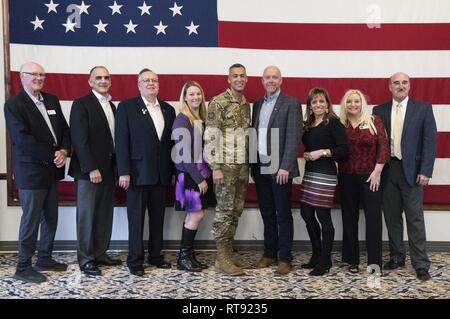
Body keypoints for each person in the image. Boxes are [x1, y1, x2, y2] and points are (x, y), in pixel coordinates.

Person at [4, 62, 71, 283]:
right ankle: (23, 266)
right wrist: (53, 154)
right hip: (31, 172)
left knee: (50, 218)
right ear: (22, 77)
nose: (38, 78)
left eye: (42, 74)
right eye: (33, 74)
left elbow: (64, 130)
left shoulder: (51, 100)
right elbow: (22, 140)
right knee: (31, 220)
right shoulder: (14, 105)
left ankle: (44, 258)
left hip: (52, 171)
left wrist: (64, 150)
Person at [372, 72, 437, 282]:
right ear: (389, 86)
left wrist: (426, 170)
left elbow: (430, 141)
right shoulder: (379, 110)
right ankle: (397, 257)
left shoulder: (423, 109)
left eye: (404, 83)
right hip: (388, 170)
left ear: (410, 86)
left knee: (415, 219)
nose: (400, 86)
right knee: (392, 218)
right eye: (396, 83)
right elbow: (376, 144)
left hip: (413, 172)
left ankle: (420, 264)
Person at [115, 68, 176, 276]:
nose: (151, 83)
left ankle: (156, 256)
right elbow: (121, 142)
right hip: (137, 174)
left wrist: (174, 170)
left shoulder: (168, 109)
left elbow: (170, 145)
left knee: (158, 218)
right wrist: (123, 171)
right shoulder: (126, 107)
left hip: (161, 174)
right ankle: (135, 261)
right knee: (137, 219)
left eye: (154, 80)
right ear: (138, 84)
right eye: (146, 80)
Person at [68, 66, 122, 276]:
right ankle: (86, 258)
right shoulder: (81, 104)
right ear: (90, 82)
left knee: (103, 215)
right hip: (88, 172)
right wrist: (91, 167)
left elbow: (113, 140)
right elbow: (79, 140)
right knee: (86, 216)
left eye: (106, 77)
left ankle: (100, 253)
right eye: (98, 78)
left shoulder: (112, 106)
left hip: (108, 172)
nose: (103, 80)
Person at [251, 66, 302, 275]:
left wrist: (285, 166)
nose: (271, 80)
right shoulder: (257, 104)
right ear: (262, 81)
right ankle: (269, 253)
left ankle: (284, 257)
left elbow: (293, 137)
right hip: (260, 166)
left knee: (282, 214)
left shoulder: (291, 103)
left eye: (275, 77)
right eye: (267, 77)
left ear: (281, 80)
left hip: (280, 167)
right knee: (267, 212)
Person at [204, 63, 251, 276]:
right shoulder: (218, 102)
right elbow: (211, 137)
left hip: (241, 168)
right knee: (224, 212)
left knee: (235, 211)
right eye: (235, 76)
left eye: (242, 76)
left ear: (246, 79)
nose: (239, 79)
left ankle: (226, 255)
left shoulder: (244, 104)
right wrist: (215, 167)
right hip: (225, 168)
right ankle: (222, 258)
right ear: (229, 79)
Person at [338, 89, 389, 274]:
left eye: (356, 101)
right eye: (349, 101)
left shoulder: (374, 121)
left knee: (374, 220)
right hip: (346, 177)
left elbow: (383, 147)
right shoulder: (340, 124)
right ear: (345, 104)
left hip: (371, 177)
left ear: (362, 103)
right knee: (349, 219)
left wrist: (377, 171)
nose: (353, 104)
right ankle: (352, 260)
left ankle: (374, 263)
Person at [299, 87, 348, 276]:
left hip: (325, 174)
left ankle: (325, 260)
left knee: (323, 216)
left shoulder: (334, 124)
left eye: (321, 101)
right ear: (310, 106)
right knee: (306, 213)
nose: (318, 105)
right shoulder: (308, 124)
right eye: (314, 102)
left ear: (327, 104)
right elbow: (310, 146)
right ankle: (316, 254)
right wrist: (307, 153)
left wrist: (323, 152)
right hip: (311, 172)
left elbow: (343, 150)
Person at [172, 81, 216, 272]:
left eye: (198, 94)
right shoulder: (182, 119)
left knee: (195, 214)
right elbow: (183, 155)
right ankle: (183, 257)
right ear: (185, 97)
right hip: (190, 175)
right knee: (196, 214)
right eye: (191, 94)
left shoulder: (200, 118)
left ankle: (189, 255)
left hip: (201, 173)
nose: (196, 97)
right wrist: (198, 179)